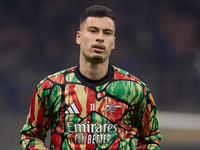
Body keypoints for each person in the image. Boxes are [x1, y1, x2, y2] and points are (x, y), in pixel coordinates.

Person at [20, 5, 162, 150]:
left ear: (113, 42)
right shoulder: (51, 88)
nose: (100, 38)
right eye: (93, 31)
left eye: (107, 33)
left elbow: (150, 140)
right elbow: (31, 137)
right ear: (79, 37)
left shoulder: (135, 89)